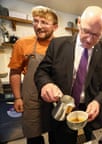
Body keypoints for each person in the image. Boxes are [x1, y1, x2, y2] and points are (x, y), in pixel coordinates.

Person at [34, 6, 102, 144]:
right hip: (64, 108)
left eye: (96, 35)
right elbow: (42, 72)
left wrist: (98, 101)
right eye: (86, 31)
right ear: (79, 23)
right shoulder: (57, 44)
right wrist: (46, 84)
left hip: (91, 111)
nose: (89, 40)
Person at [8, 6, 58, 144]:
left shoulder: (60, 46)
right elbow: (15, 72)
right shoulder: (22, 44)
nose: (39, 26)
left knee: (56, 133)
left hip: (54, 99)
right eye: (36, 21)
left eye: (44, 22)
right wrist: (17, 98)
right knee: (34, 136)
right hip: (31, 100)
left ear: (55, 26)